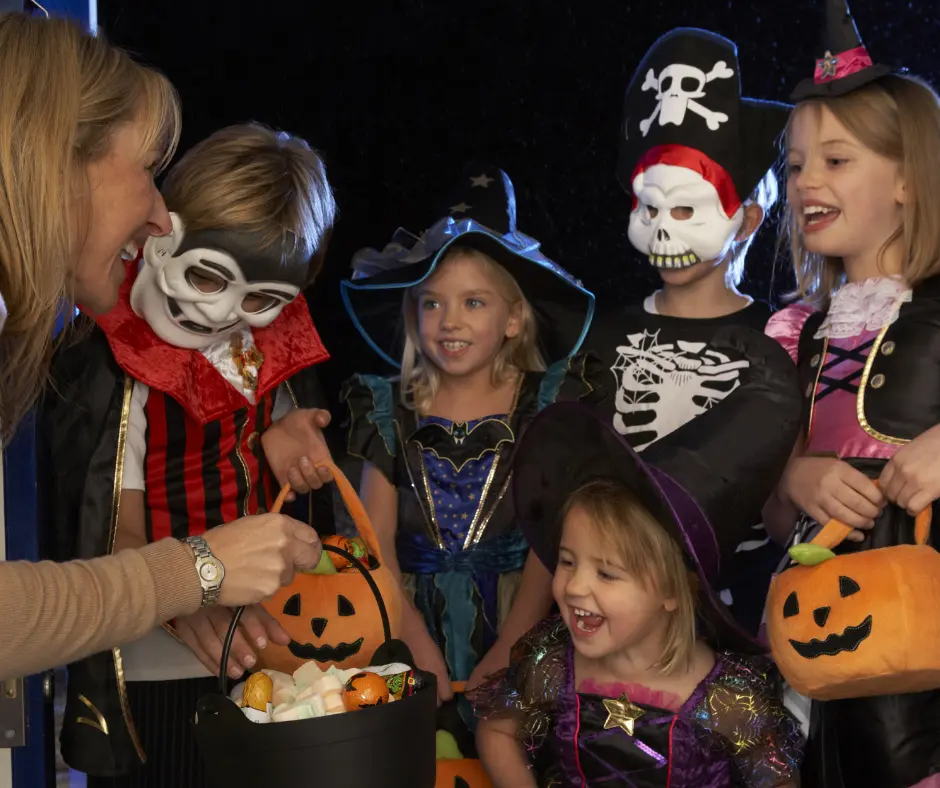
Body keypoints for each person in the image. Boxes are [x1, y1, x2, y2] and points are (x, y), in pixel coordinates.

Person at [0, 12, 330, 681]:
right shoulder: (108, 363)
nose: (157, 215)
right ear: (51, 161)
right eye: (148, 169)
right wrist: (197, 572)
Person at [42, 123, 337, 785]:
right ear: (163, 233)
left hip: (263, 644)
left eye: (261, 299)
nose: (227, 313)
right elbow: (108, 517)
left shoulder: (271, 353)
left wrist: (285, 448)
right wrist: (188, 592)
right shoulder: (114, 362)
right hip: (153, 664)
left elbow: (301, 507)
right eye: (209, 277)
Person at [339, 164, 600, 756]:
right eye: (432, 304)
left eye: (473, 302)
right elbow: (371, 542)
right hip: (402, 615)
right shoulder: (387, 409)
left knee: (511, 755)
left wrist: (513, 643)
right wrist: (409, 637)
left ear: (512, 319)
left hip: (521, 618)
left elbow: (549, 537)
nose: (449, 321)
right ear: (412, 314)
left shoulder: (545, 405)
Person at [762, 1, 940, 785]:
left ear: (907, 178)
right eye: (796, 164)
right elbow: (768, 509)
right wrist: (793, 476)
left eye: (837, 160)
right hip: (838, 646)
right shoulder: (801, 335)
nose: (806, 182)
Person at [583, 28, 803, 634]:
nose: (663, 232)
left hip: (744, 614)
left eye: (685, 211)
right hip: (619, 612)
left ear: (746, 220)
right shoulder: (603, 338)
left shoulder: (781, 339)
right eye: (649, 210)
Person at [473, 402, 803, 787]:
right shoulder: (551, 665)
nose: (576, 586)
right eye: (566, 562)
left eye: (607, 573)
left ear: (672, 592)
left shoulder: (730, 701)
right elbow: (496, 731)